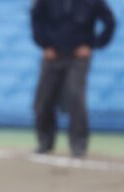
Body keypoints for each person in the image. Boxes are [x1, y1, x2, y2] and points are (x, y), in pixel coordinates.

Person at [30, 0, 115, 158]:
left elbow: (110, 22)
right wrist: (44, 45)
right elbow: (36, 19)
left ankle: (78, 145)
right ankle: (45, 141)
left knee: (75, 97)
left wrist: (93, 44)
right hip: (52, 55)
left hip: (78, 56)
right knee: (43, 99)